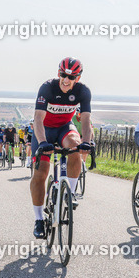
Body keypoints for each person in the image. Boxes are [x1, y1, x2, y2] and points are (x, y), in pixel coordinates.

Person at [30, 57, 94, 238]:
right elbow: (38, 119)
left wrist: (86, 143)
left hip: (64, 128)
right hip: (44, 130)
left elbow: (87, 121)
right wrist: (42, 143)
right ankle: (39, 219)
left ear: (78, 78)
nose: (66, 80)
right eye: (63, 75)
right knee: (41, 172)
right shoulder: (47, 88)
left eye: (71, 77)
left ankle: (70, 194)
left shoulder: (83, 92)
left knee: (75, 147)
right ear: (58, 73)